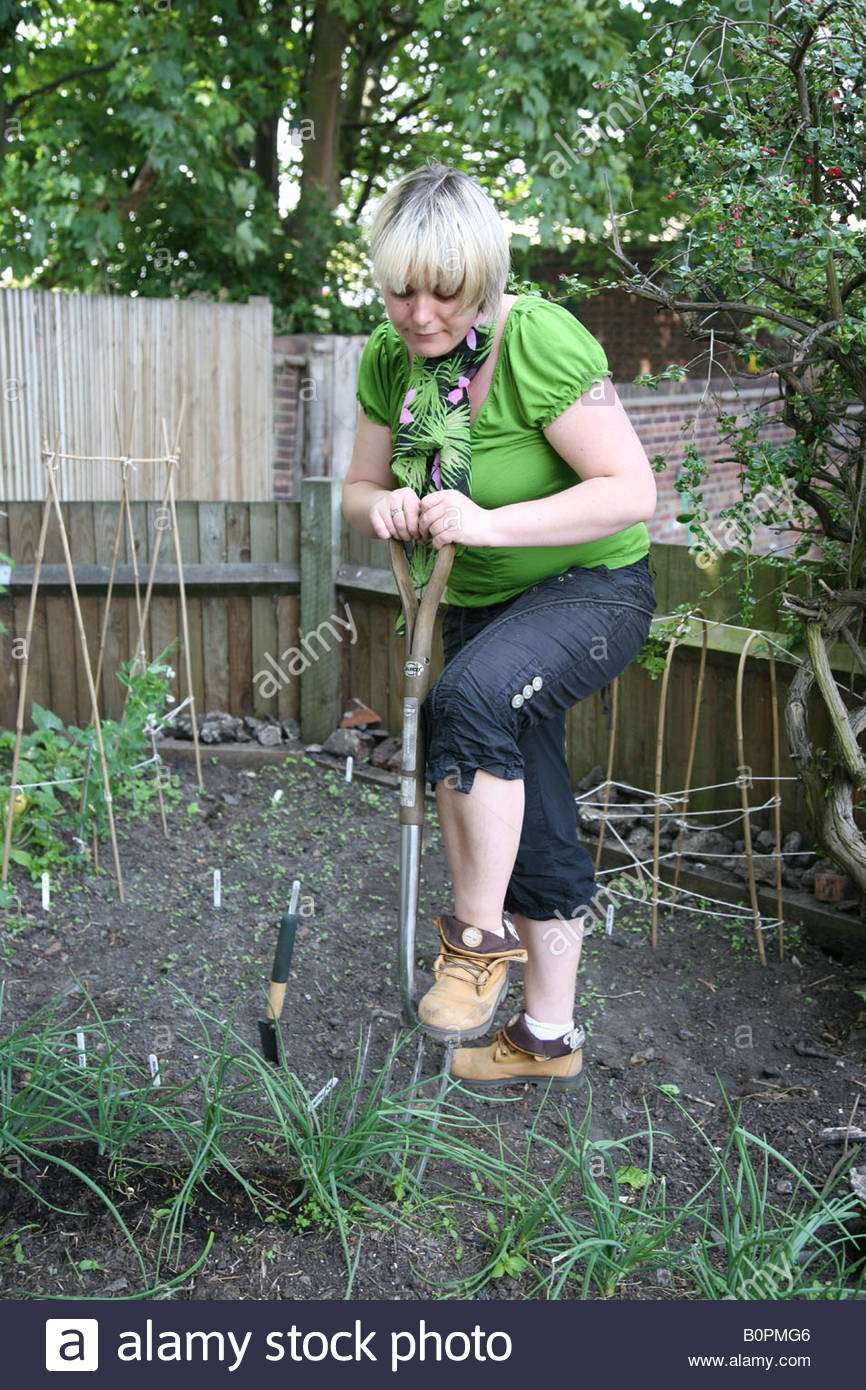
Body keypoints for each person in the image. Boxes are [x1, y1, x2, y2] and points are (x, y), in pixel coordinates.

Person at [342, 163, 657, 1088]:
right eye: (402, 291)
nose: (422, 314)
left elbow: (631, 490)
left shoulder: (544, 341)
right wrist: (388, 508)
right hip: (477, 603)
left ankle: (474, 946)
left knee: (468, 701)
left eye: (446, 292)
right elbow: (356, 490)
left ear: (485, 277)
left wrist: (487, 523)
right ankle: (548, 1037)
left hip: (592, 593)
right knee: (531, 799)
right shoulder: (388, 358)